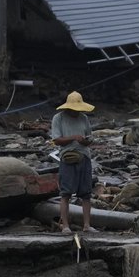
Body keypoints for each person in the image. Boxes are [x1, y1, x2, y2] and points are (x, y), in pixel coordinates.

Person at [52, 91, 96, 233]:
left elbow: (90, 138)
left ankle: (87, 225)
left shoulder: (83, 118)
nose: (77, 112)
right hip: (68, 158)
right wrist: (73, 138)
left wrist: (85, 141)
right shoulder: (58, 118)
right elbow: (57, 140)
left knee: (86, 194)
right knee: (65, 193)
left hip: (84, 157)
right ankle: (65, 226)